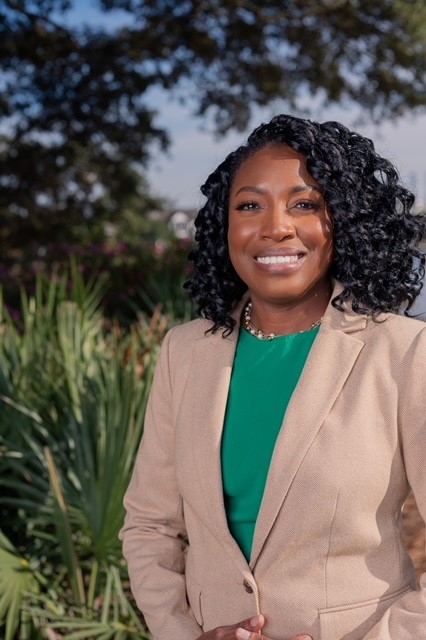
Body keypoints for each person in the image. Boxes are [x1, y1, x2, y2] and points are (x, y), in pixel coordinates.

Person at [119, 114, 426, 640]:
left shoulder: (404, 352)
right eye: (249, 205)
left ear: (345, 221)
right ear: (225, 225)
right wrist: (182, 635)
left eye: (305, 204)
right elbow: (150, 526)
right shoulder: (184, 352)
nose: (275, 226)